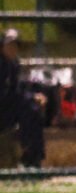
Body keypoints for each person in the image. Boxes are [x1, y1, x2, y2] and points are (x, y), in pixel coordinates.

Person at [1, 28, 45, 168]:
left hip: (8, 109)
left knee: (33, 110)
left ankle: (34, 157)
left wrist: (33, 96)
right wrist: (30, 97)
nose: (13, 48)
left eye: (16, 45)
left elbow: (16, 90)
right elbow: (6, 93)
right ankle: (29, 154)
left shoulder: (14, 63)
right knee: (27, 108)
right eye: (9, 45)